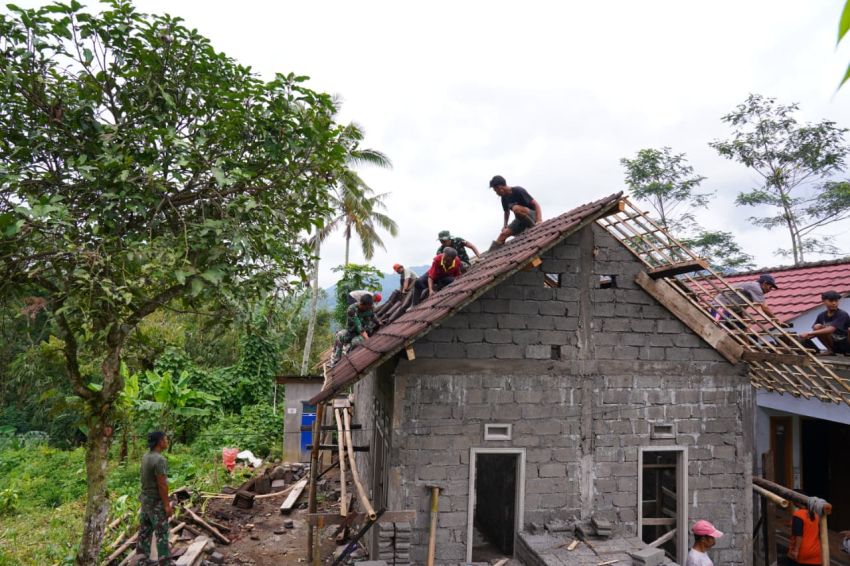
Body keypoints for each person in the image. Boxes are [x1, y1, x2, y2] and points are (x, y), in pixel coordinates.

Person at [138, 431, 172, 565]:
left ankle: (142, 560)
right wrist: (166, 505)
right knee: (162, 533)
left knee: (145, 531)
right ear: (160, 442)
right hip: (155, 502)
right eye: (165, 439)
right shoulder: (159, 460)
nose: (167, 441)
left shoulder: (146, 456)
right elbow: (162, 485)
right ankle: (165, 562)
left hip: (145, 500)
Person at [489, 175, 543, 246]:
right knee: (502, 235)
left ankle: (532, 227)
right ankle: (491, 256)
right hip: (520, 219)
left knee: (516, 209)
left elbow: (536, 204)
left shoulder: (518, 190)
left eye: (496, 191)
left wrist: (539, 220)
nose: (496, 193)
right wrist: (505, 225)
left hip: (532, 215)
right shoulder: (504, 198)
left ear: (500, 188)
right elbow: (506, 212)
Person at [330, 293, 378, 366]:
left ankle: (349, 360)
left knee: (355, 342)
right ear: (362, 304)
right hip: (353, 332)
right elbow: (358, 325)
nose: (368, 309)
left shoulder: (370, 308)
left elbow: (373, 317)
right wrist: (368, 340)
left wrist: (380, 323)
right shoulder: (351, 309)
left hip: (362, 334)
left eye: (369, 307)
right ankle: (336, 360)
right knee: (340, 335)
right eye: (367, 307)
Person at [714, 274, 779, 326]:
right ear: (765, 283)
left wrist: (742, 317)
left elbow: (739, 303)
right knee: (716, 325)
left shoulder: (753, 289)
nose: (770, 290)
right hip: (721, 306)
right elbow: (764, 307)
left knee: (744, 327)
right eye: (770, 287)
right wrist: (777, 320)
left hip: (731, 310)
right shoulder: (756, 288)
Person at [798, 291, 850, 355]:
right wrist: (804, 338)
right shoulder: (821, 315)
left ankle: (848, 352)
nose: (834, 303)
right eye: (831, 301)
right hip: (833, 344)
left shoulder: (842, 314)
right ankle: (830, 350)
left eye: (836, 301)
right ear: (824, 301)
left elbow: (831, 329)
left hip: (845, 344)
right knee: (817, 326)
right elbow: (816, 331)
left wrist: (809, 333)